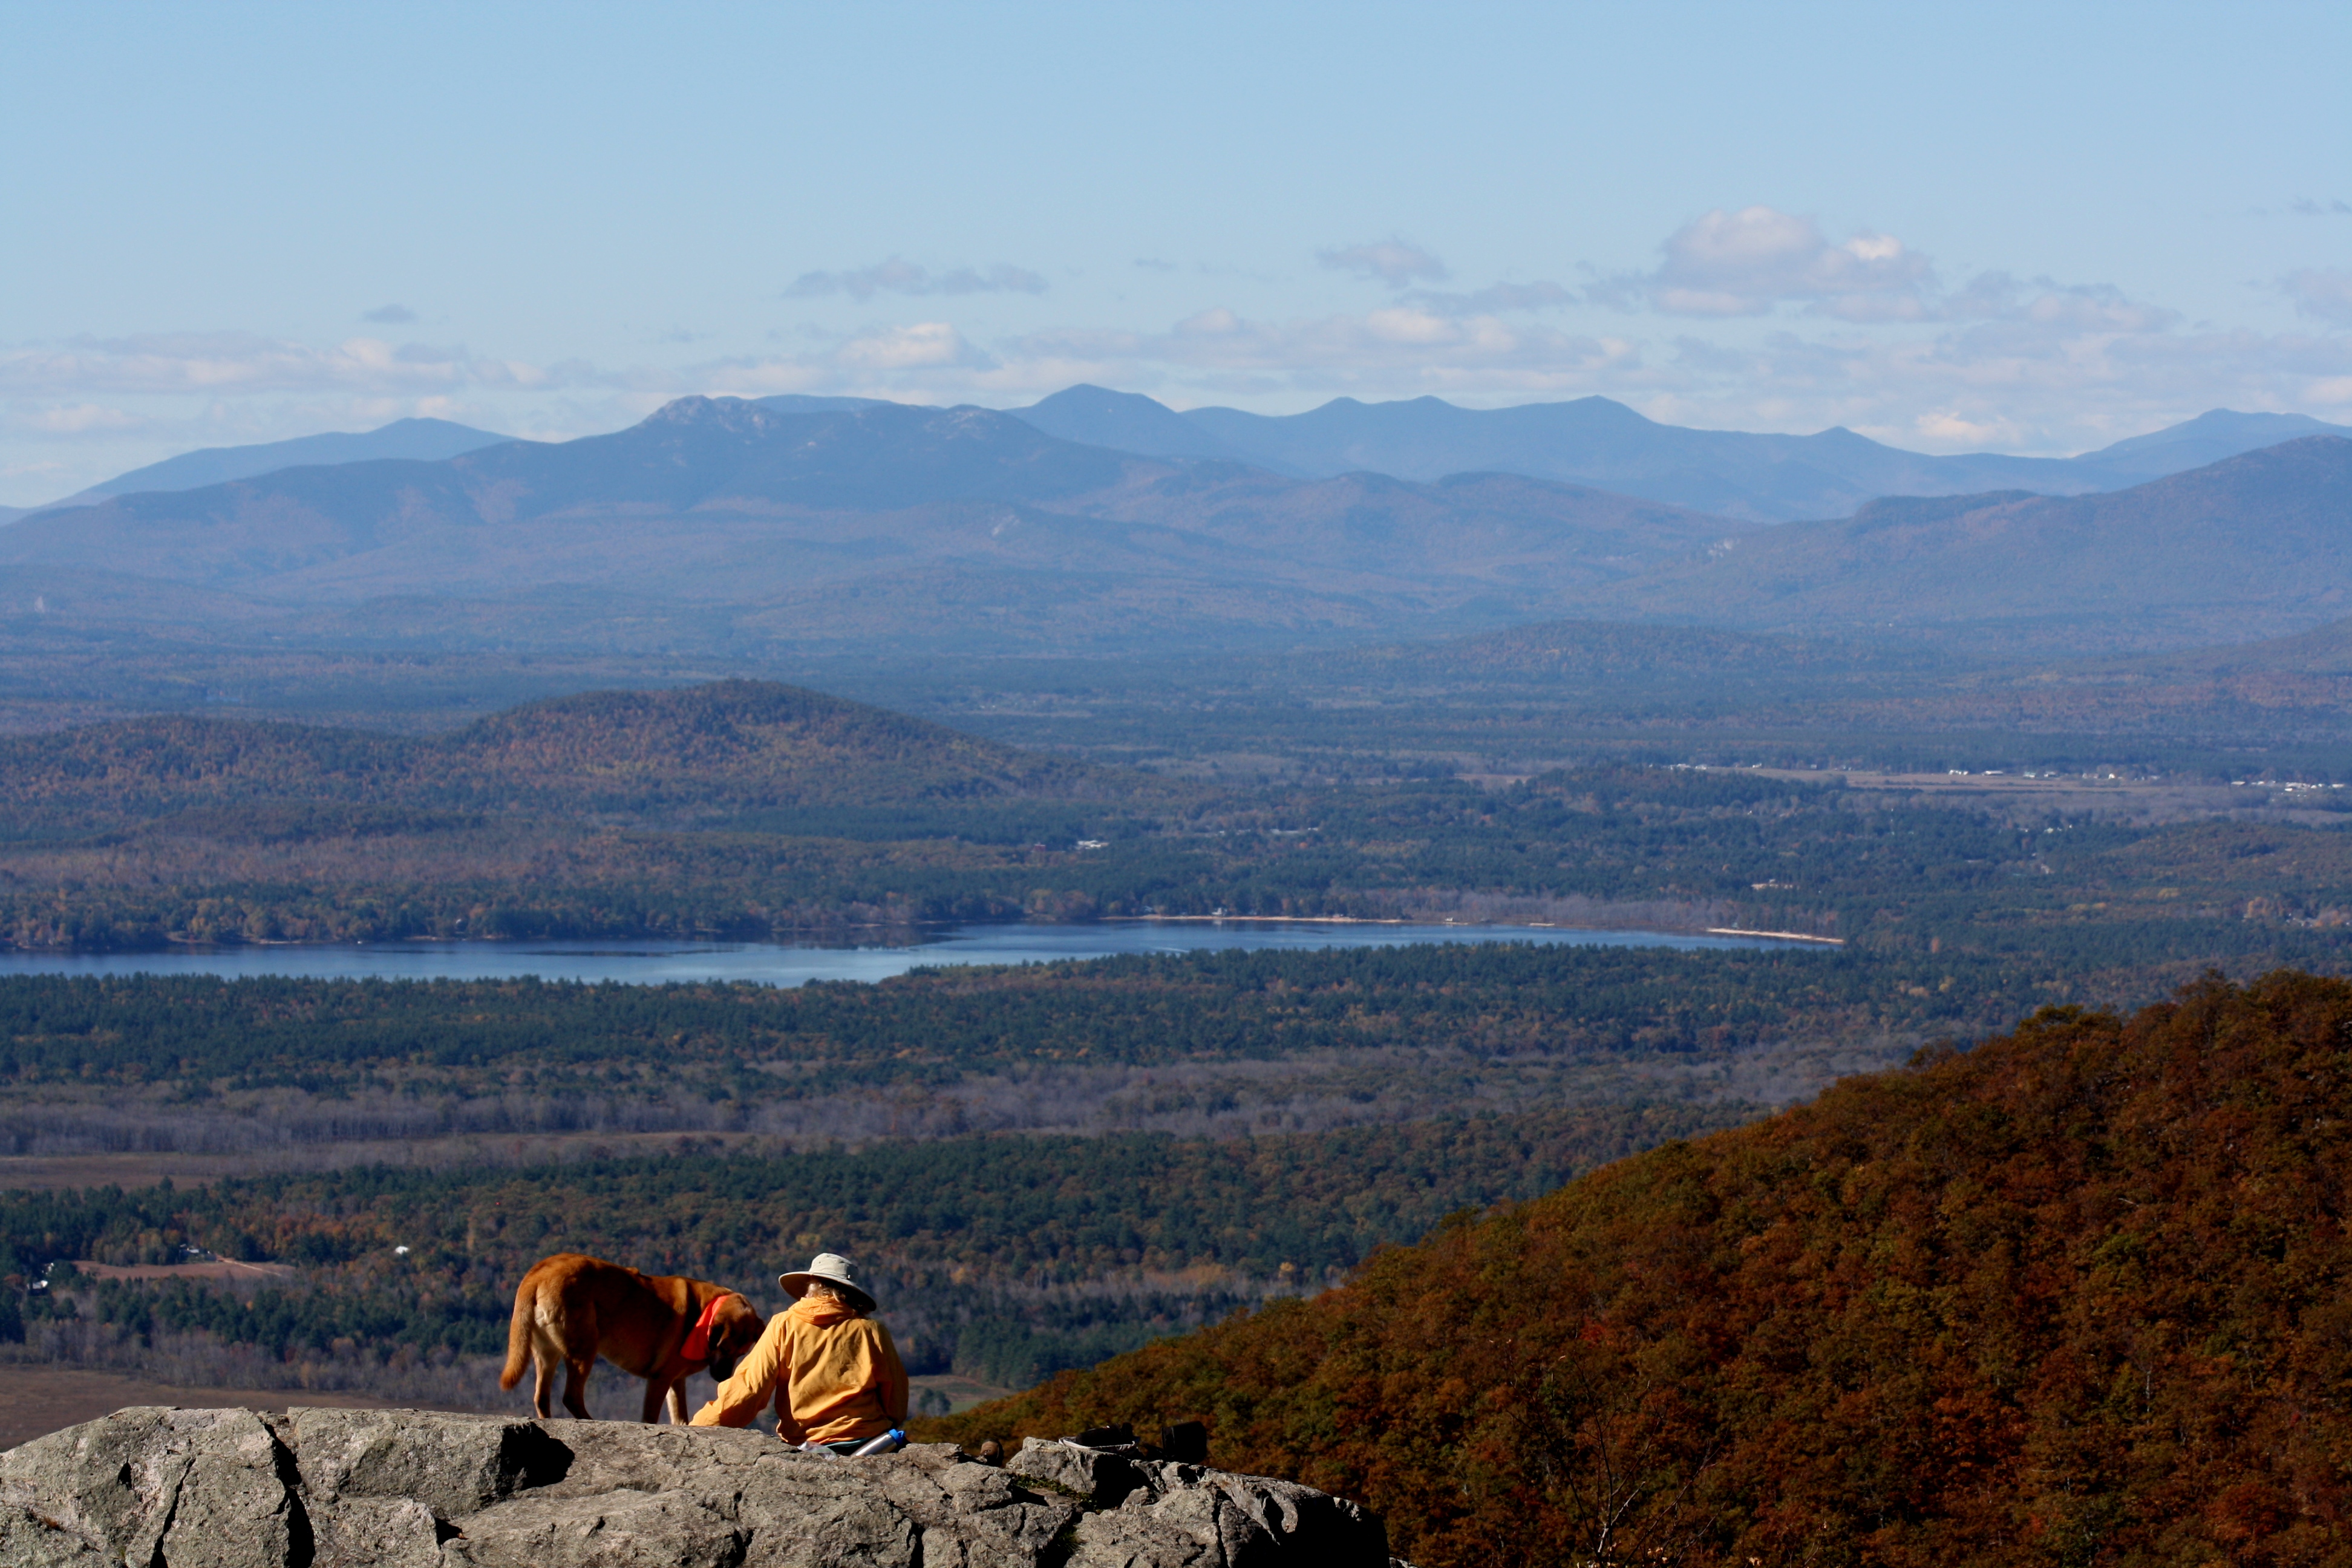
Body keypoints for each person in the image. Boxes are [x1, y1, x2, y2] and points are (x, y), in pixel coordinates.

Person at [690, 1252, 909, 1452]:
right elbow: (895, 1395)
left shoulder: (783, 1325)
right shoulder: (871, 1330)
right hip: (869, 1441)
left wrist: (699, 1427)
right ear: (851, 1293)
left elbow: (749, 1390)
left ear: (811, 1286)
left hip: (808, 1444)